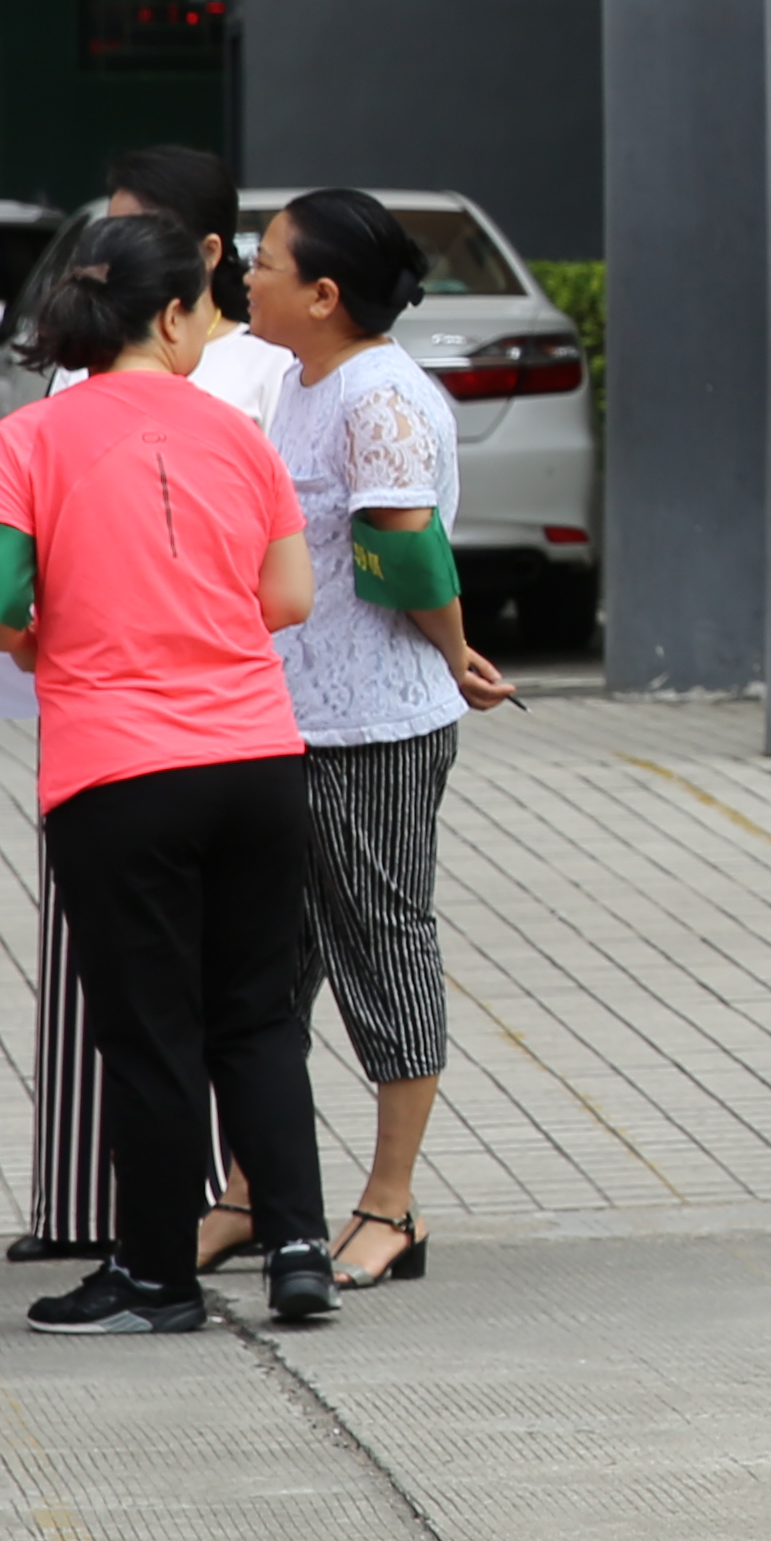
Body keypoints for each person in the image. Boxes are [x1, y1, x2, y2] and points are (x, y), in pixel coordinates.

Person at [0, 213, 337, 1337]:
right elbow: (290, 600)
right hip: (260, 759)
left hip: (118, 773)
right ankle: (301, 1249)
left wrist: (41, 642)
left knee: (150, 1028)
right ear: (173, 317)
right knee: (257, 1016)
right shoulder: (239, 436)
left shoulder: (29, 439)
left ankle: (158, 1274)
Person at [247, 188, 513, 1293]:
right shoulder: (300, 381)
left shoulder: (382, 393)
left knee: (383, 944)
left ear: (324, 293)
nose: (246, 279)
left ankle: (389, 1206)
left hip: (371, 725)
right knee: (277, 960)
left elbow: (402, 547)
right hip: (288, 716)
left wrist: (452, 654)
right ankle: (251, 1192)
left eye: (265, 264)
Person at [15, 145, 274, 1272]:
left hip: (155, 738)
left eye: (134, 242)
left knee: (201, 1013)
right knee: (142, 1008)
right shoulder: (75, 386)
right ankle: (109, 1218)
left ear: (201, 265)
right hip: (201, 734)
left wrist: (41, 633)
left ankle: (192, 1240)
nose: (104, 264)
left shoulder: (261, 382)